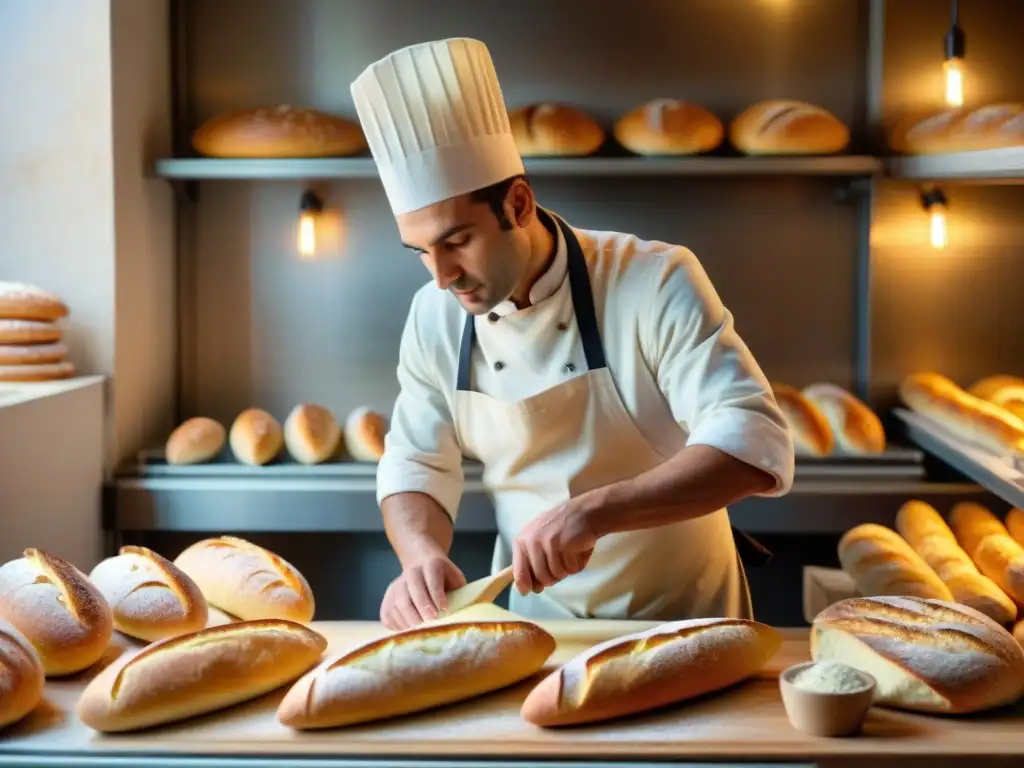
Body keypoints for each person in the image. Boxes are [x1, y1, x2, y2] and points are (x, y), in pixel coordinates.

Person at [350, 38, 795, 630]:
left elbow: (751, 443)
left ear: (519, 202)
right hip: (539, 623)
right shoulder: (434, 314)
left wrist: (595, 511)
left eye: (457, 241)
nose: (442, 276)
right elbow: (414, 462)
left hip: (687, 620)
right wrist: (420, 556)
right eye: (420, 252)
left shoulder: (653, 279)